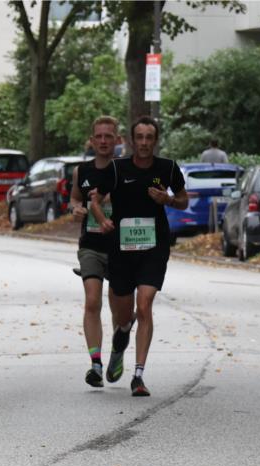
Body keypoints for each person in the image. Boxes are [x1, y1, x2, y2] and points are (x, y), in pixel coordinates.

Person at [90, 116, 188, 397]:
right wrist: (102, 220)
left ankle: (138, 375)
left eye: (149, 137)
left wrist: (168, 200)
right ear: (132, 141)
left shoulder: (168, 168)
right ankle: (121, 335)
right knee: (124, 316)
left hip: (154, 248)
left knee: (144, 306)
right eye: (140, 137)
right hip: (121, 250)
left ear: (155, 140)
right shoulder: (117, 168)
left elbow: (184, 200)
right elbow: (96, 199)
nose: (144, 142)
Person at [69, 116, 123, 388]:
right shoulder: (82, 171)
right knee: (92, 301)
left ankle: (117, 353)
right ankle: (96, 363)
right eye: (98, 136)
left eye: (108, 136)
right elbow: (74, 199)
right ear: (91, 141)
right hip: (90, 245)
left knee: (120, 310)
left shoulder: (125, 169)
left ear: (117, 140)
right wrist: (76, 209)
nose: (103, 141)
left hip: (121, 247)